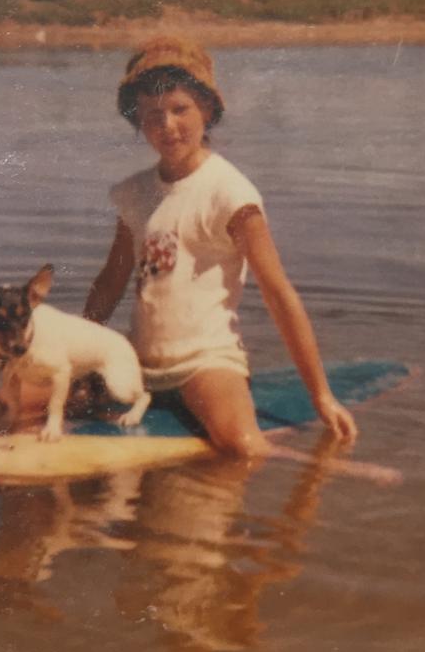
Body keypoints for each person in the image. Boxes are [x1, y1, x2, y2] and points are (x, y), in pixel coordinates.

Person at [83, 35, 357, 457]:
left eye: (180, 109)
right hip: (137, 362)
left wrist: (320, 395)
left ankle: (327, 472)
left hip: (204, 363)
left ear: (207, 110)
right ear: (137, 119)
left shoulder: (230, 194)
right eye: (153, 114)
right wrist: (82, 359)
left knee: (243, 449)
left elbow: (278, 292)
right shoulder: (133, 193)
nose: (168, 125)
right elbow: (110, 282)